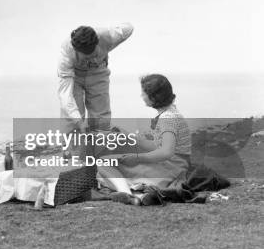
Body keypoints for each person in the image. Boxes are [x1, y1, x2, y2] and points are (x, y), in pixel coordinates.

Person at [97, 74, 191, 205]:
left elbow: (166, 152)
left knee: (104, 163)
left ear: (153, 96)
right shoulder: (170, 113)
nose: (141, 96)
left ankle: (128, 194)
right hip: (173, 166)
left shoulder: (167, 119)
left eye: (143, 93)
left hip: (170, 168)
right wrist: (128, 137)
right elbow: (158, 146)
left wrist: (136, 157)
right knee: (109, 164)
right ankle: (137, 193)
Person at [57, 23, 133, 131]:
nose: (88, 58)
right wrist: (78, 121)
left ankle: (100, 144)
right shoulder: (65, 55)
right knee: (73, 119)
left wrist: (102, 32)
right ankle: (72, 145)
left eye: (91, 54)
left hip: (98, 72)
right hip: (74, 76)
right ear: (76, 49)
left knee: (101, 119)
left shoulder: (108, 36)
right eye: (85, 56)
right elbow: (65, 95)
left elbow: (129, 28)